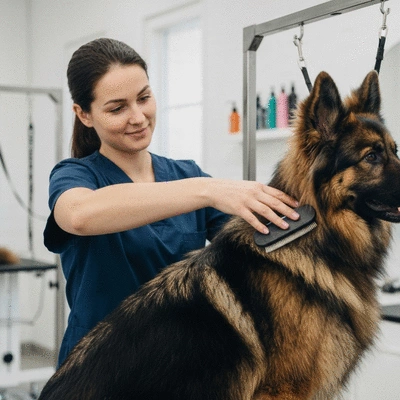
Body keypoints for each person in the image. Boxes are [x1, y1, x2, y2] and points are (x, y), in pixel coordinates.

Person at [43, 38, 299, 367]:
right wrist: (206, 189)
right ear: (84, 114)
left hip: (178, 364)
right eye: (117, 108)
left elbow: (258, 243)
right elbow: (78, 215)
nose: (138, 117)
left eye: (144, 98)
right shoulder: (75, 175)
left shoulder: (184, 173)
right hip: (100, 367)